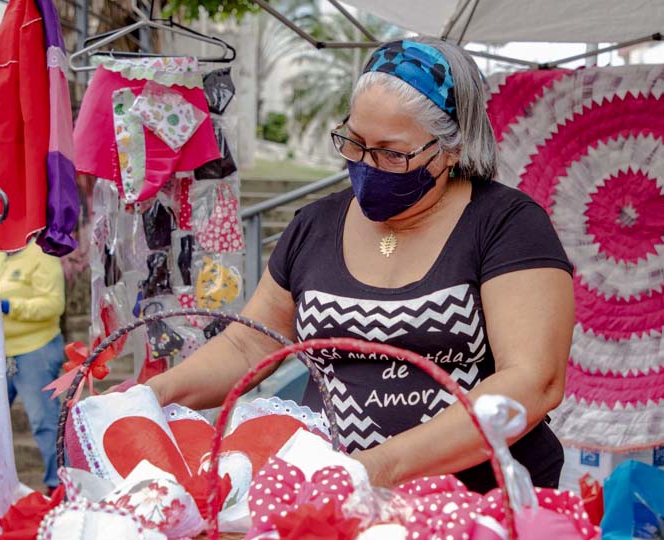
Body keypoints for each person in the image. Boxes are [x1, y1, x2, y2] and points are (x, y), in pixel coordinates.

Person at [149, 38, 575, 493]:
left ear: (453, 147)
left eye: (393, 153)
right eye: (354, 143)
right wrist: (155, 395)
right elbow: (247, 346)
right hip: (333, 503)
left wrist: (377, 469)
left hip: (479, 511)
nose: (368, 166)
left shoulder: (507, 225)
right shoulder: (314, 225)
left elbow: (533, 381)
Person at [0, 241, 66, 490]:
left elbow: (54, 304)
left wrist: (10, 307)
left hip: (35, 349)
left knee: (43, 421)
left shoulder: (42, 253)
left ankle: (59, 486)